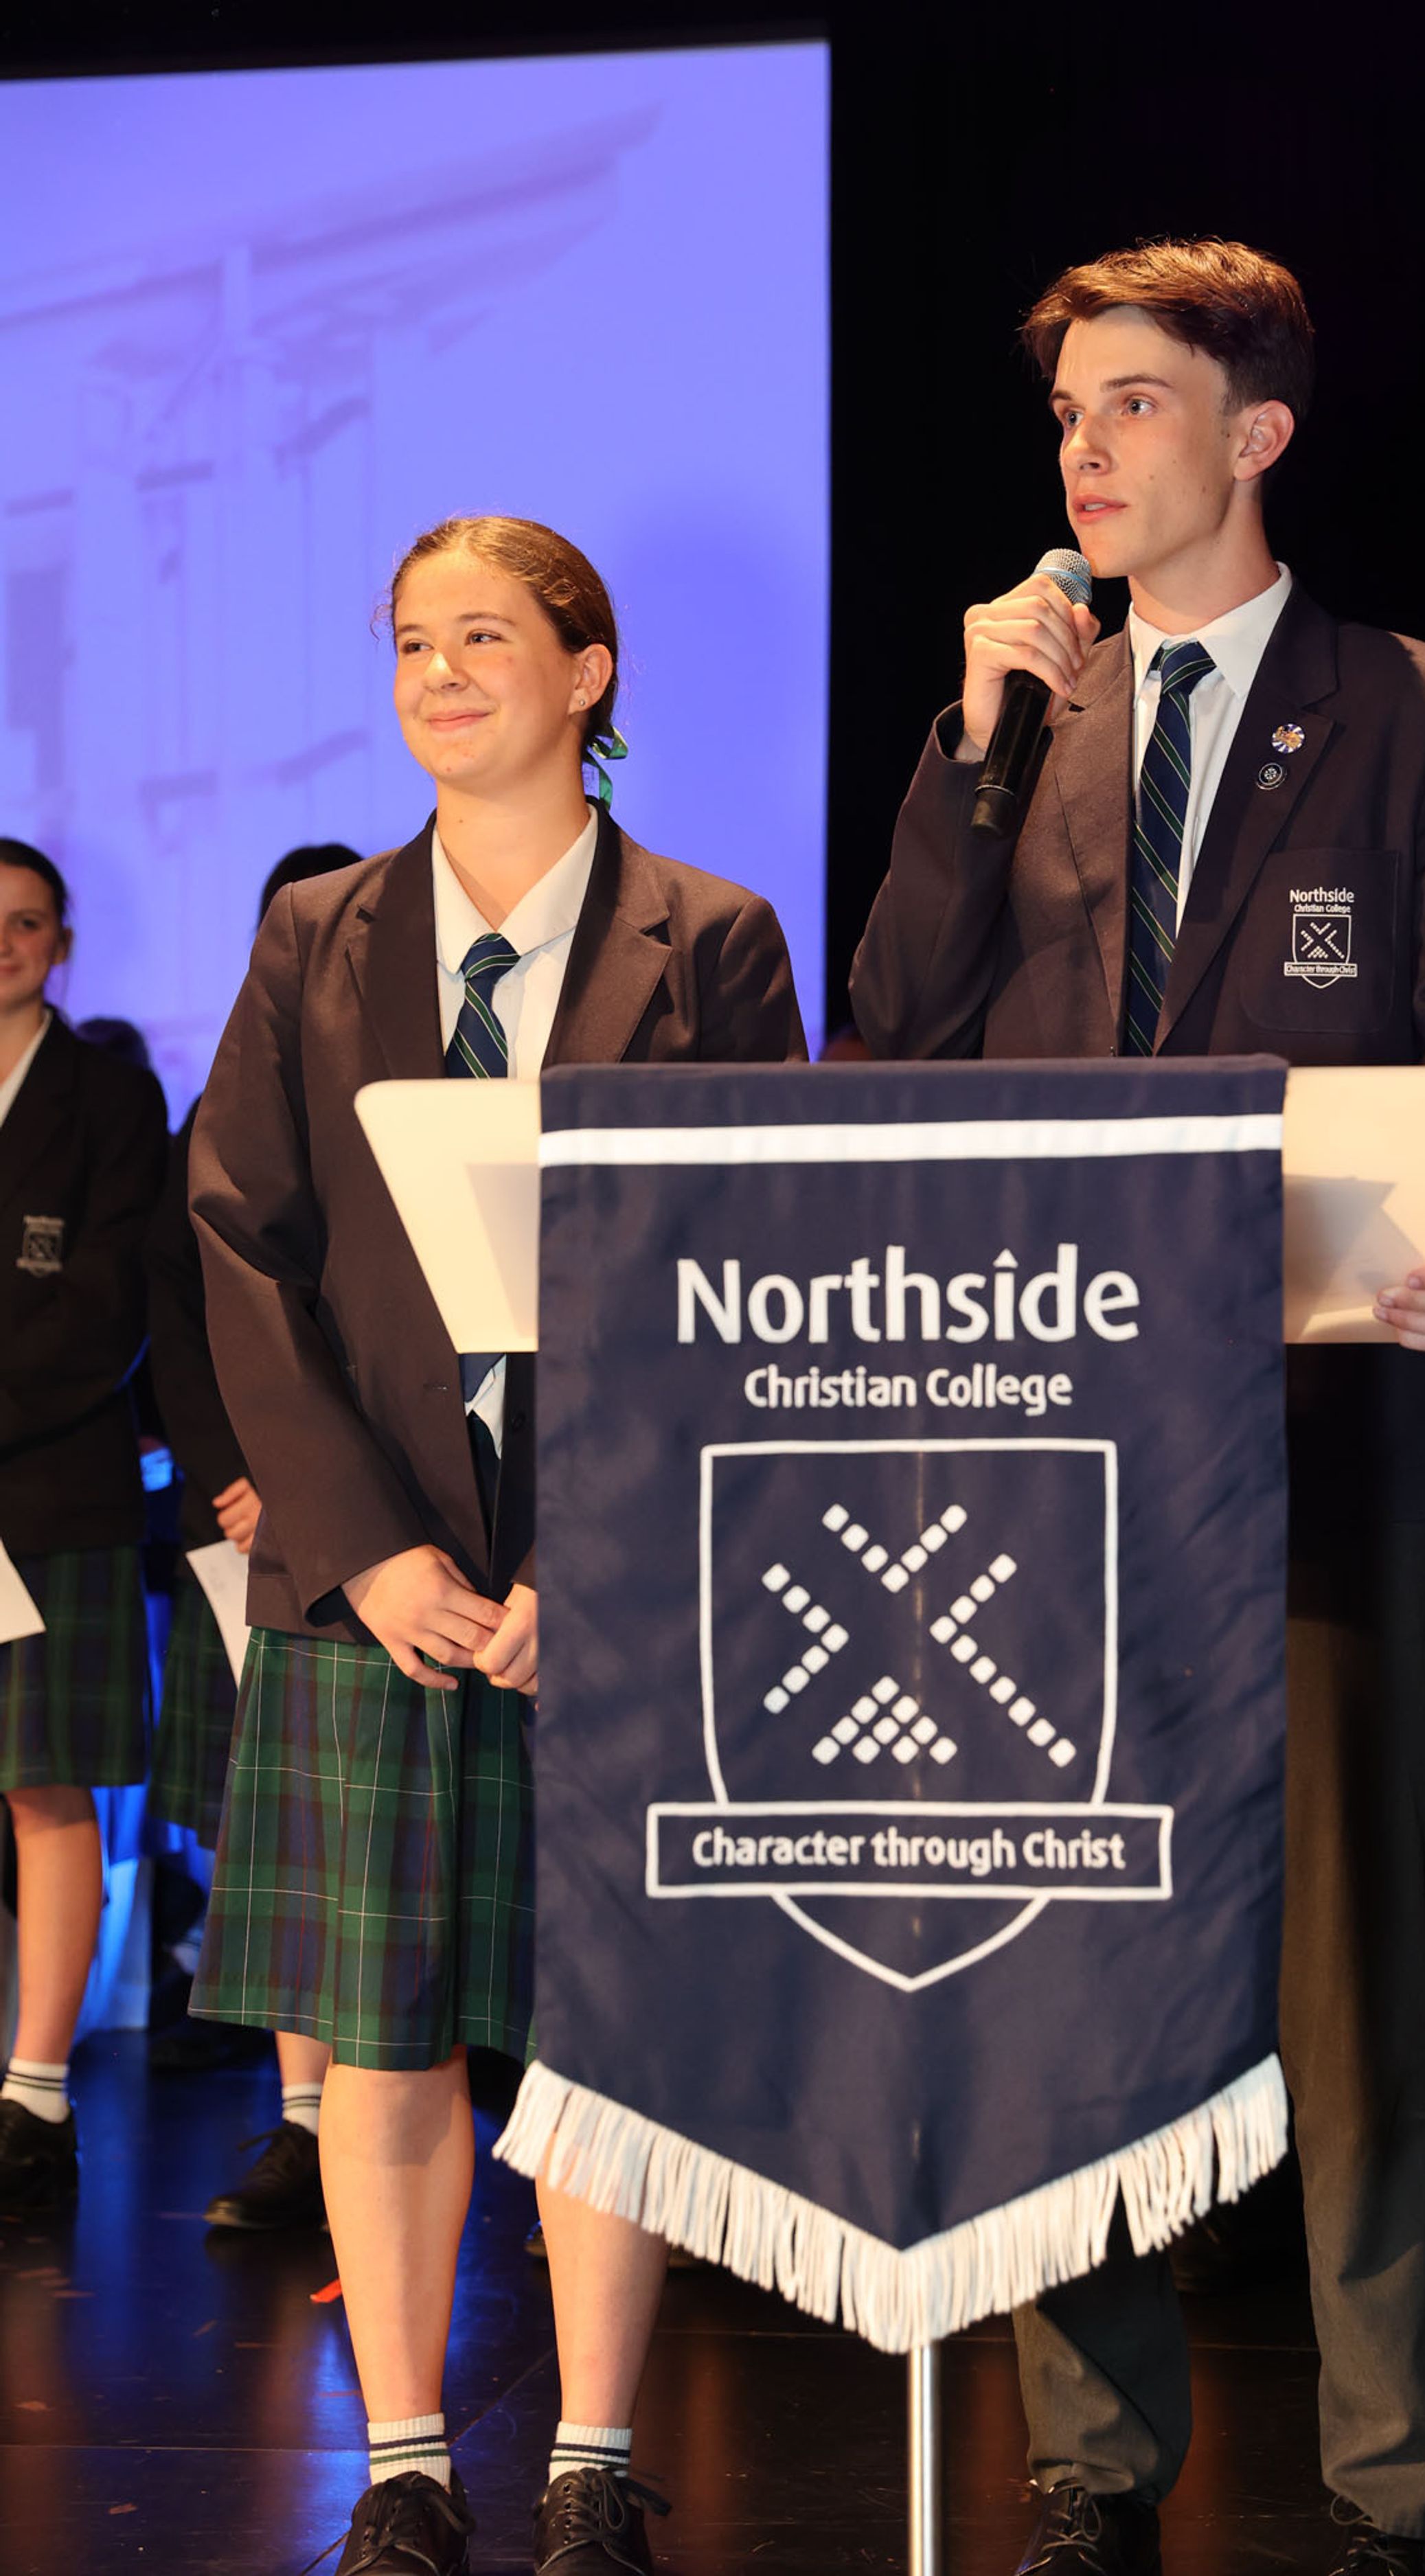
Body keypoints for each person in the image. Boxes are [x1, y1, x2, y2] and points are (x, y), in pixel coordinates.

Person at [850, 238, 1425, 2576]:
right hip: (1044, 1446)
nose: (1084, 451)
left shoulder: (1416, 712)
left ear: (1257, 433)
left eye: (1135, 405)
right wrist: (971, 752)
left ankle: (1393, 2488)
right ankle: (1089, 2465)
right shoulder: (1021, 734)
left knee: (1347, 1993)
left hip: (1315, 1432)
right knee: (1061, 1986)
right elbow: (896, 1029)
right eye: (1066, 413)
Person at [189, 516, 803, 2576]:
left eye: (481, 637)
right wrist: (365, 1550)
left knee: (601, 2043)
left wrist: (603, 1560)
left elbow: (749, 1264)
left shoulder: (711, 938)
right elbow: (242, 1245)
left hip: (609, 1591)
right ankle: (402, 2469)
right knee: (382, 2041)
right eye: (408, 644)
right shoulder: (317, 936)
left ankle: (592, 2467)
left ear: (588, 669)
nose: (438, 676)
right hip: (370, 1595)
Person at [145, 846, 362, 2220]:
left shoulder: (424, 1084)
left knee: (391, 1838)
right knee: (275, 1830)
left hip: (400, 1512)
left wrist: (317, 1477)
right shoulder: (222, 1106)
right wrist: (242, 1469)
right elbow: (181, 1312)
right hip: (243, 1520)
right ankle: (301, 2124)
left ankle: (482, 2131)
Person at [0, 839, 168, 2212]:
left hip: (51, 1489)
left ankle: (36, 2090)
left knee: (44, 1783)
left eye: (23, 922)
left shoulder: (109, 1093)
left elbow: (110, 1309)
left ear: (61, 942)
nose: (1, 941)